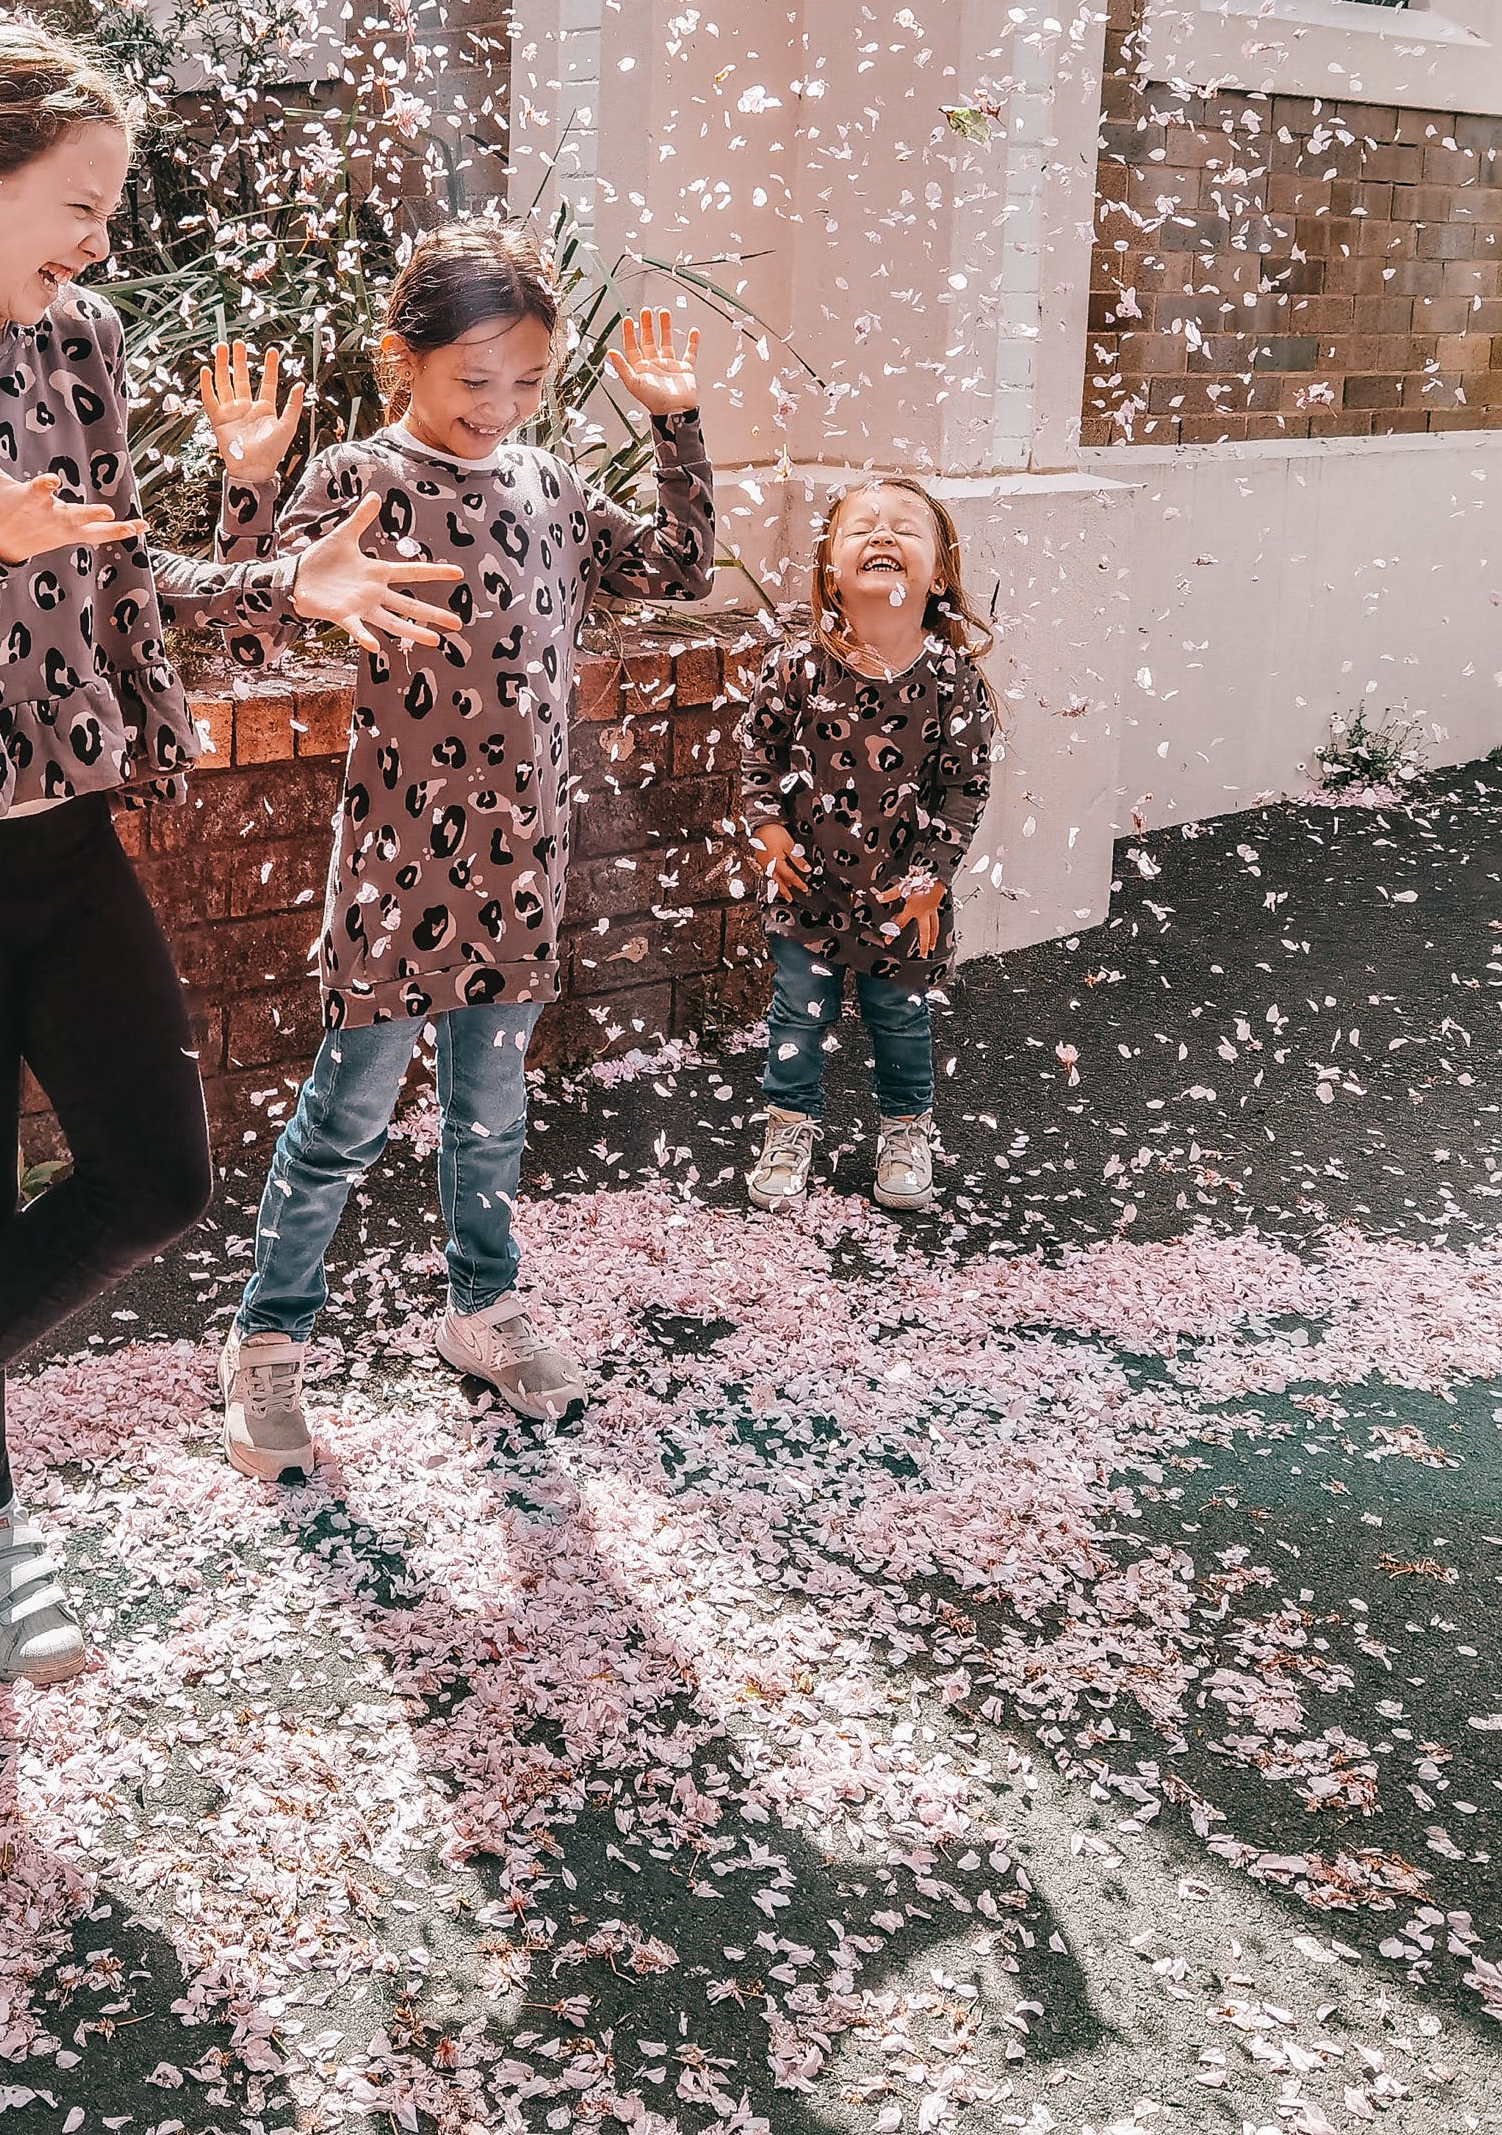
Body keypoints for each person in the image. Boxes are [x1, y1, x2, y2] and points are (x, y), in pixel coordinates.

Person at [0, 22, 464, 1684]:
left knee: (158, 1177)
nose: (98, 242)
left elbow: (117, 574)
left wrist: (274, 580)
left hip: (66, 833)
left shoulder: (74, 342)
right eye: (77, 204)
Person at [202, 219, 719, 1480]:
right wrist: (251, 481)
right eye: (471, 381)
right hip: (393, 861)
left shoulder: (544, 484)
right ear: (403, 362)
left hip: (520, 859)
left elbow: (677, 569)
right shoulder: (361, 477)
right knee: (344, 1118)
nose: (499, 409)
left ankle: (480, 1314)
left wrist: (676, 429)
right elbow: (240, 639)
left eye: (527, 385)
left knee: (489, 1119)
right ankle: (266, 1347)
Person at [738, 475, 997, 1217]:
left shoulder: (951, 678)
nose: (882, 536)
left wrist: (932, 878)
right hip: (806, 888)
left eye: (905, 528)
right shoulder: (795, 664)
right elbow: (756, 753)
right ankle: (789, 1128)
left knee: (899, 1017)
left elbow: (964, 786)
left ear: (938, 572)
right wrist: (767, 828)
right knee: (796, 1014)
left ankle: (905, 1128)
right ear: (829, 567)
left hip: (903, 894)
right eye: (862, 528)